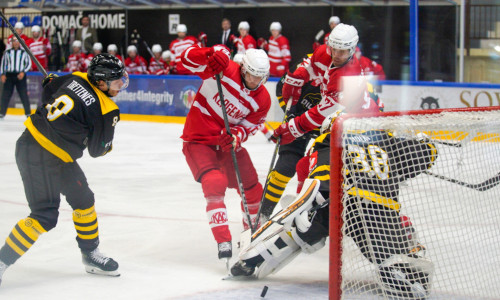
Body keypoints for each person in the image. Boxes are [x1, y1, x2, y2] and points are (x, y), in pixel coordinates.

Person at [230, 125, 436, 299]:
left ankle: (251, 261)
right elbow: (425, 155)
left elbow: (318, 184)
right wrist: (422, 141)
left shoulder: (327, 140)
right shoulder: (386, 142)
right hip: (381, 208)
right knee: (389, 257)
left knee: (299, 231)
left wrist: (304, 215)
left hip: (339, 206)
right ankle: (407, 263)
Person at [0, 54, 129, 286]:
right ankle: (1, 262)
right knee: (44, 215)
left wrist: (52, 81)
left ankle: (90, 254)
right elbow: (97, 151)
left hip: (40, 149)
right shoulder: (107, 109)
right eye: (116, 80)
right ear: (101, 82)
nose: (121, 84)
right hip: (39, 155)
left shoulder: (75, 78)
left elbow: (49, 90)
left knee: (84, 200)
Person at [261, 24, 381, 221]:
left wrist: (290, 127)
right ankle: (264, 214)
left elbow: (321, 113)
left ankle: (311, 213)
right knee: (287, 166)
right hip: (312, 118)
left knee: (327, 173)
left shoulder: (349, 79)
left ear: (352, 50)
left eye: (342, 51)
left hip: (346, 126)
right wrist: (295, 82)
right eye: (334, 49)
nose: (336, 55)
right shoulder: (324, 53)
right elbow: (302, 72)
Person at [180, 45, 271, 261]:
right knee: (214, 182)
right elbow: (185, 60)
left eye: (259, 78)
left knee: (252, 186)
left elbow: (249, 127)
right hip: (198, 140)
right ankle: (223, 241)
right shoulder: (223, 70)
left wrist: (236, 136)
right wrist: (212, 53)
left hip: (226, 145)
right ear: (242, 68)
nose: (254, 82)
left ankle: (252, 235)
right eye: (250, 75)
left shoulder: (263, 99)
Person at [0, 37, 32, 119]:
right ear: (12, 42)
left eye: (17, 41)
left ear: (20, 42)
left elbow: (28, 64)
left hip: (20, 75)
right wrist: (3, 74)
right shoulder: (7, 52)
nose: (16, 43)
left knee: (23, 94)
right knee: (5, 94)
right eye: (14, 41)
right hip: (9, 75)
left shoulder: (24, 52)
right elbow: (3, 64)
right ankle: (2, 113)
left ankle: (28, 113)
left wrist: (23, 72)